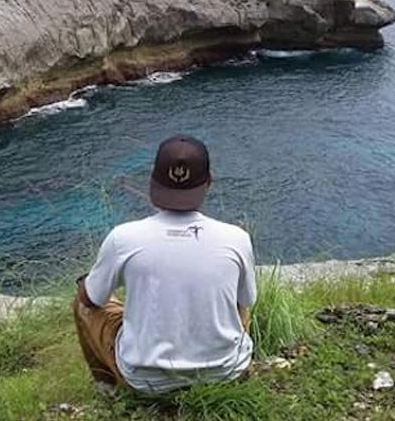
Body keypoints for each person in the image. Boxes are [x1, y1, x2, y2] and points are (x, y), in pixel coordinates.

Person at [73, 134, 257, 395]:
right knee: (242, 302)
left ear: (153, 181)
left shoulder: (123, 237)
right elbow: (246, 300)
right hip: (225, 373)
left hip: (144, 382)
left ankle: (108, 388)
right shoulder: (237, 238)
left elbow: (91, 300)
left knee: (81, 302)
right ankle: (228, 360)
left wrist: (85, 283)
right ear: (209, 182)